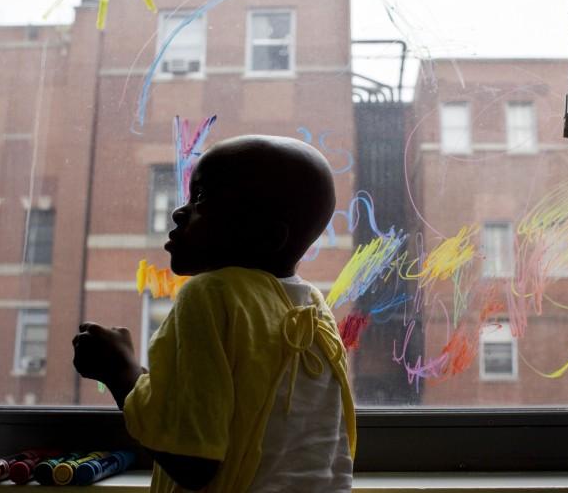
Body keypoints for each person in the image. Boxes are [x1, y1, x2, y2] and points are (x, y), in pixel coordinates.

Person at [72, 135, 356, 492]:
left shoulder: (210, 295)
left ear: (267, 236)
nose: (179, 211)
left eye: (203, 197)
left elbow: (194, 461)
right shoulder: (312, 308)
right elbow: (230, 416)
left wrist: (119, 371)